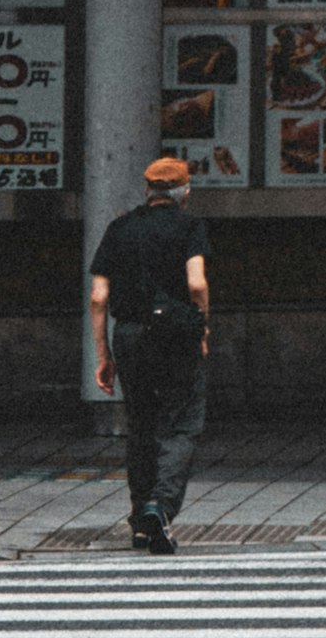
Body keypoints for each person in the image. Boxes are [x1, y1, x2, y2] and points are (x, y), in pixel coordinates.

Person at [88, 153, 210, 555]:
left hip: (131, 336)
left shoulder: (120, 228)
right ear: (184, 193)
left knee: (141, 424)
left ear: (147, 191)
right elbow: (197, 284)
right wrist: (202, 326)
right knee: (181, 423)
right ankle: (161, 506)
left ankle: (141, 519)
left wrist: (104, 354)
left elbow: (99, 296)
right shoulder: (190, 227)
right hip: (175, 335)